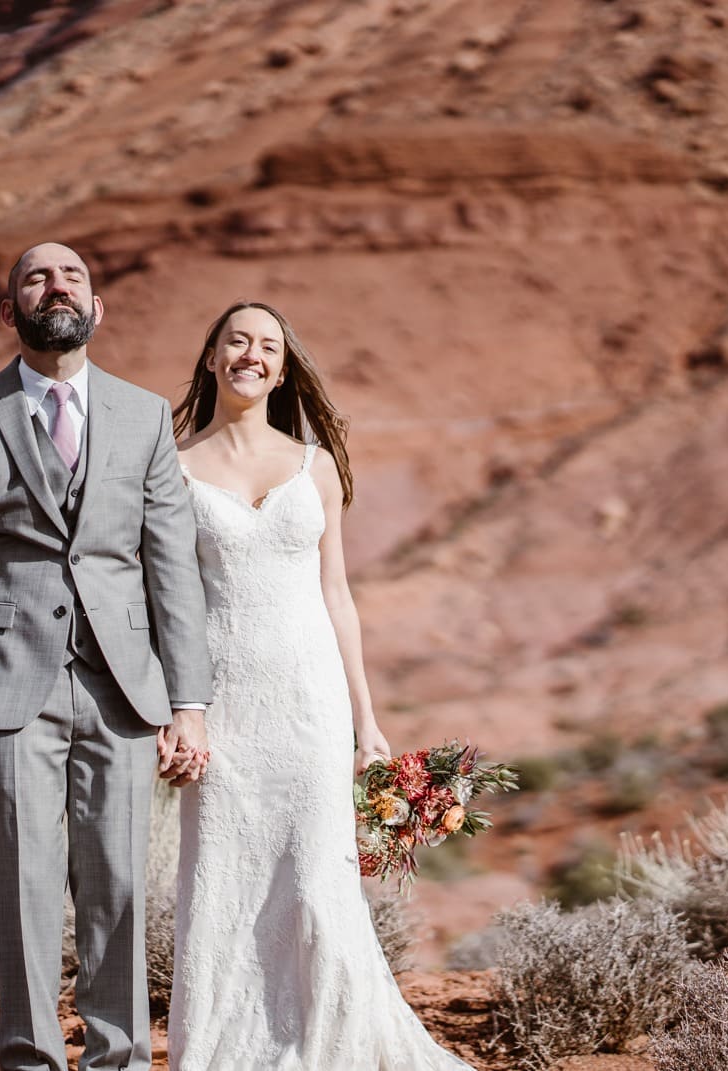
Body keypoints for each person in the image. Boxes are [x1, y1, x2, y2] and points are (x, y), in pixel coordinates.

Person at [0, 242, 212, 1071]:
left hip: (122, 685)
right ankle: (30, 1057)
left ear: (96, 306)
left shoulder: (144, 415)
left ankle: (116, 1059)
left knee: (116, 885)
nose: (56, 287)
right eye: (37, 278)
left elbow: (169, 564)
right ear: (11, 311)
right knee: (22, 890)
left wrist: (186, 700)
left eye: (72, 276)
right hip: (8, 689)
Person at [167, 301, 473, 1069]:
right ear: (210, 357)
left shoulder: (316, 465)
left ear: (282, 366)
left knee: (315, 879)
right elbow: (162, 598)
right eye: (237, 340)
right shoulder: (170, 465)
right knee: (225, 881)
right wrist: (179, 709)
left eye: (268, 345)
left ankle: (330, 1047)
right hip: (223, 704)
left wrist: (366, 718)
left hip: (310, 702)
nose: (252, 354)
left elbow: (336, 593)